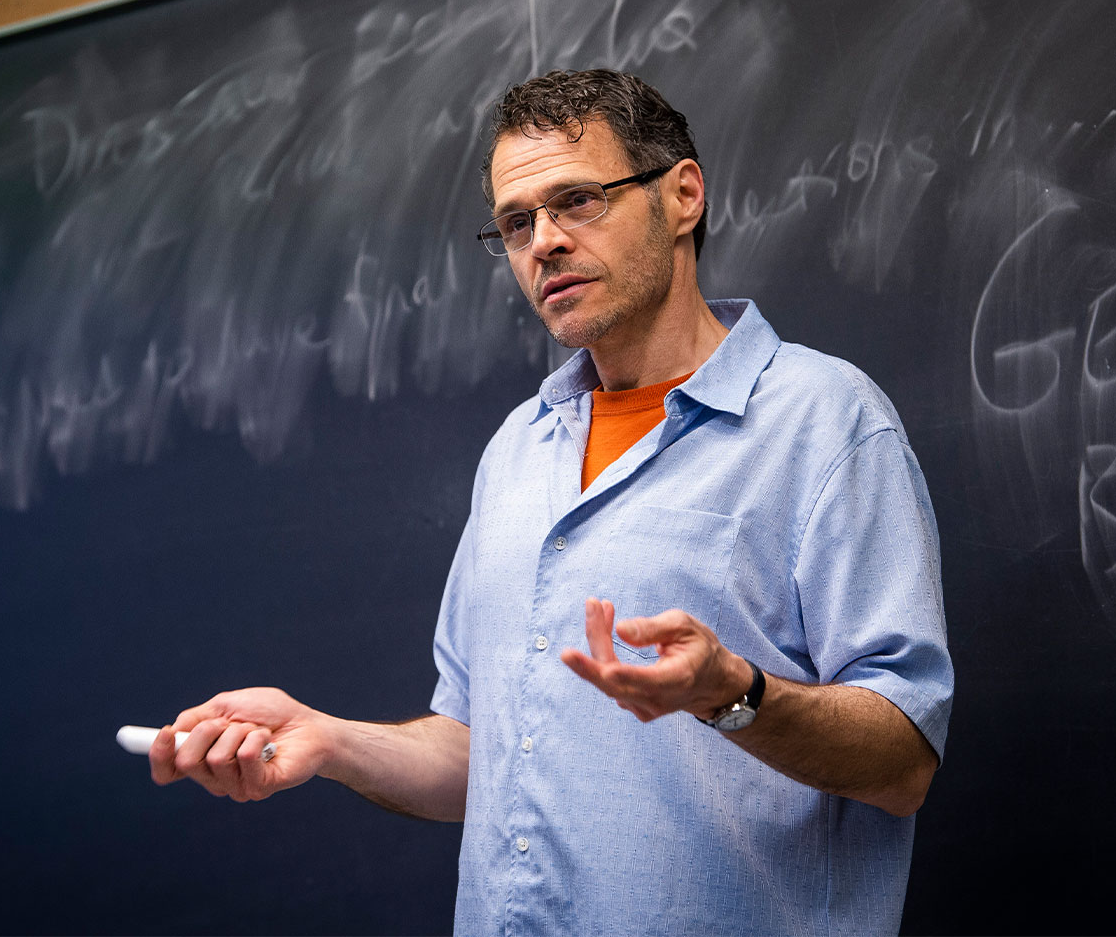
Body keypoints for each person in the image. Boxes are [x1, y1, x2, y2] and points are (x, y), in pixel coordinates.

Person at [149, 68, 953, 936]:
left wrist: (732, 692)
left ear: (682, 196)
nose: (544, 243)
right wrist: (329, 741)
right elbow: (478, 754)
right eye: (515, 222)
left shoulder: (825, 422)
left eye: (577, 200)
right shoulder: (519, 451)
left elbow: (903, 762)